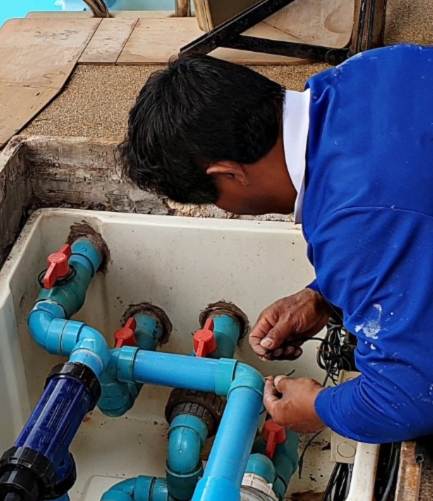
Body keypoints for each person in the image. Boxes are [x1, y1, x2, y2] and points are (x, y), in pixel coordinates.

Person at [117, 44, 433, 444]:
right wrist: (324, 295)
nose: (227, 209)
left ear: (230, 174)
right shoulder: (370, 66)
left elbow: (407, 400)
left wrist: (319, 407)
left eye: (215, 199)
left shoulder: (349, 224)